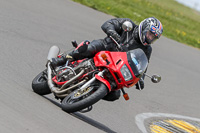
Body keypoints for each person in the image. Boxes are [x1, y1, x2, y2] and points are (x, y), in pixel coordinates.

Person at [51, 17, 163, 101]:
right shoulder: (128, 26)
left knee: (115, 95)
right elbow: (108, 24)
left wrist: (141, 78)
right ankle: (60, 60)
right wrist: (113, 33)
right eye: (149, 34)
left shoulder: (147, 49)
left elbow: (143, 65)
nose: (150, 38)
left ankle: (87, 95)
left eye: (153, 37)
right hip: (105, 48)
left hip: (117, 66)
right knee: (89, 49)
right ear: (144, 28)